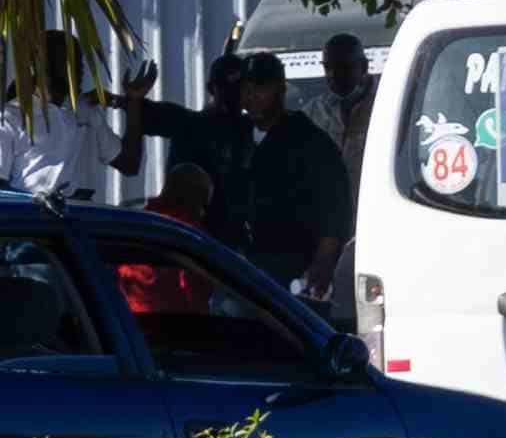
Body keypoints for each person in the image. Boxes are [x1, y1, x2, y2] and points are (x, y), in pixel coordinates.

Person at [111, 52, 354, 307]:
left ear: (281, 89)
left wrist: (323, 263)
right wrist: (132, 101)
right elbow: (173, 119)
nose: (251, 96)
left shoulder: (309, 141)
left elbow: (334, 206)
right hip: (240, 272)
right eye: (246, 88)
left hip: (293, 274)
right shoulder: (233, 131)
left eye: (260, 87)